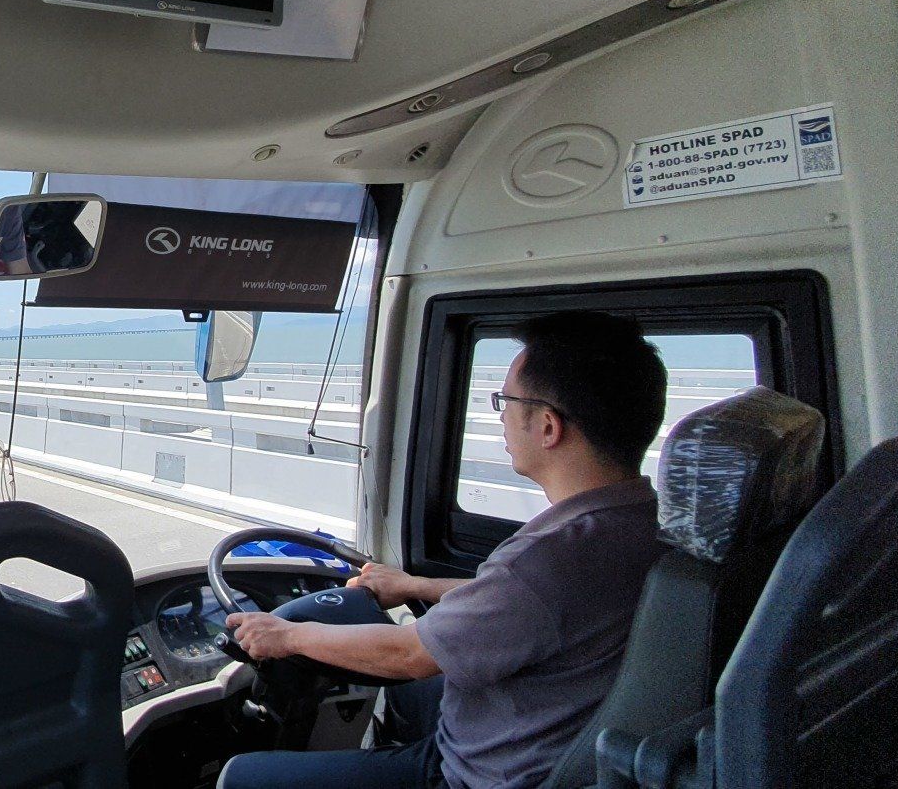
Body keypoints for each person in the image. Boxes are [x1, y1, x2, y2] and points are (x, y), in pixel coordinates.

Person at [219, 311, 671, 789]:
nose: (501, 415)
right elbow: (523, 602)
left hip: (480, 775)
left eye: (507, 401)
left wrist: (286, 635)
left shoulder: (548, 558)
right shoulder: (642, 523)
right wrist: (416, 585)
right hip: (558, 742)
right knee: (405, 699)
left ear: (547, 426)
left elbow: (409, 655)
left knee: (242, 777)